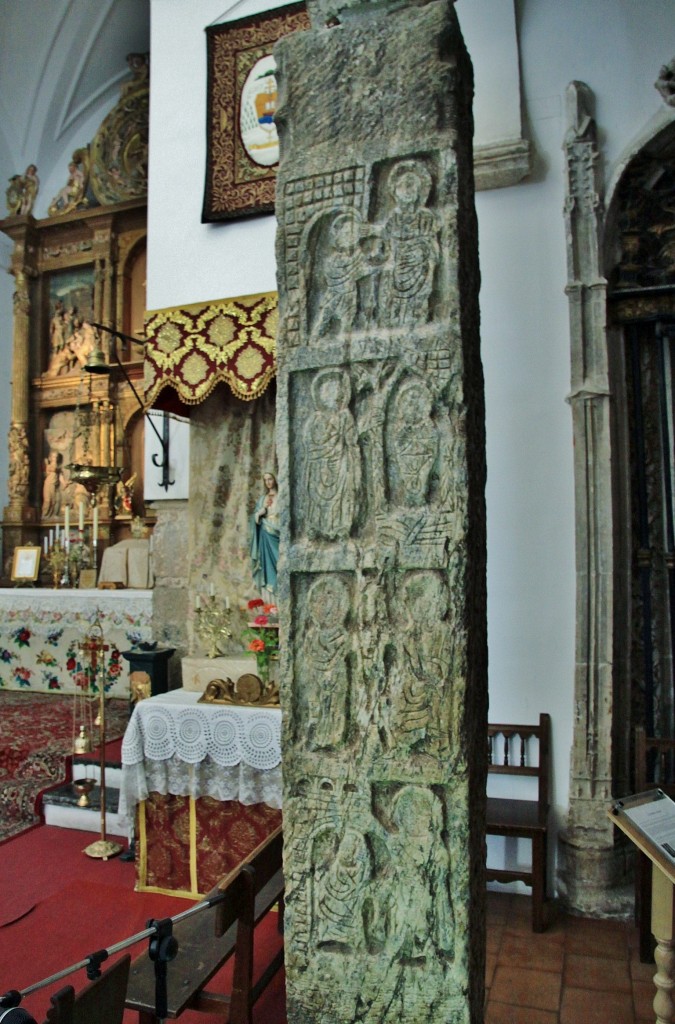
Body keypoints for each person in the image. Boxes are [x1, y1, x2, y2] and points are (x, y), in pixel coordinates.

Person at [249, 472, 279, 598]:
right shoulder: (263, 499)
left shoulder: (282, 496)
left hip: (278, 533)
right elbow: (255, 519)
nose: (268, 482)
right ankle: (271, 600)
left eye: (270, 479)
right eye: (265, 480)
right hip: (266, 534)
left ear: (275, 479)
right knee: (268, 567)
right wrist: (259, 513)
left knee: (280, 563)